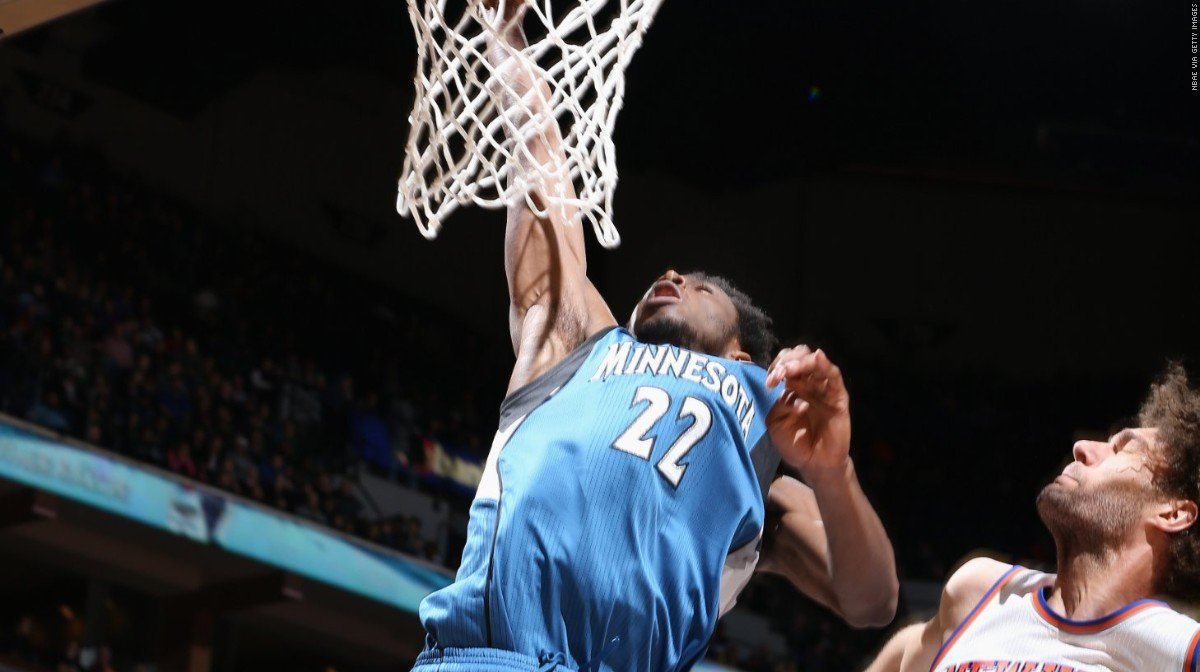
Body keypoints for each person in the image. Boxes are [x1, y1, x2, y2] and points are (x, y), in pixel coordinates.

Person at [409, 4, 897, 672]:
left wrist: (832, 473)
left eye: (700, 286)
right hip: (487, 659)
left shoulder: (761, 439)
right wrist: (505, 38)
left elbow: (872, 601)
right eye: (667, 275)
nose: (671, 276)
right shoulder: (581, 343)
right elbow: (543, 165)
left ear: (741, 355)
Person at [865, 364, 1200, 672]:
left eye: (1123, 448)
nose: (1083, 446)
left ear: (1173, 513)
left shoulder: (1181, 648)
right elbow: (905, 654)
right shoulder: (980, 591)